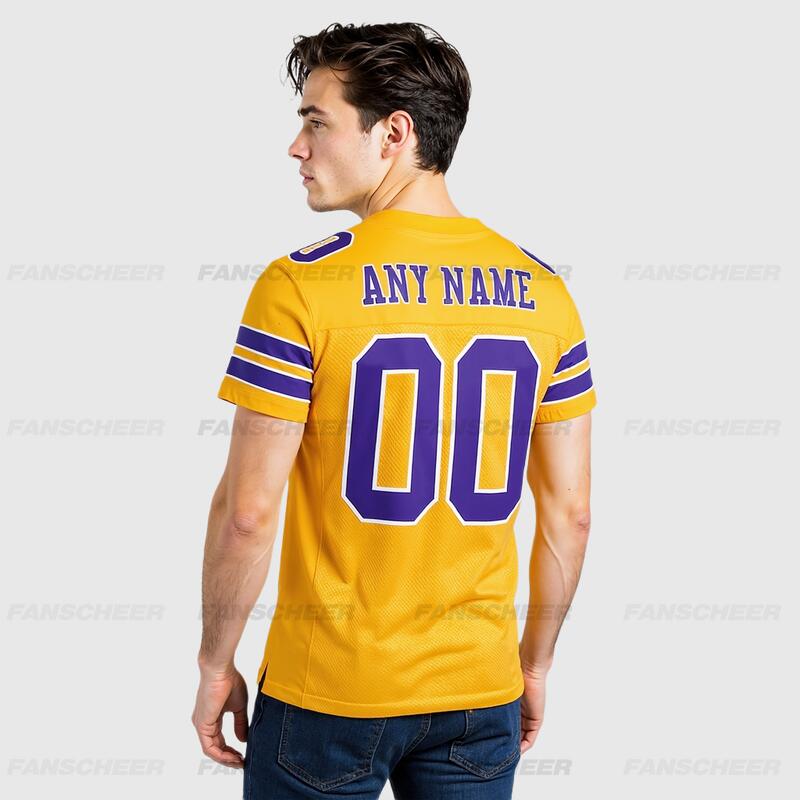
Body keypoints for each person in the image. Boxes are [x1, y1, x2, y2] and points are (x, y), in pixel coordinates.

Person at [191, 21, 596, 800]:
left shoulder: (300, 287)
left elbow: (247, 512)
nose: (296, 147)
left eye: (316, 122)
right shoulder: (546, 292)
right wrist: (535, 665)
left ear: (394, 134)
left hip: (327, 693)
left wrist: (215, 662)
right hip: (479, 694)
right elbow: (570, 516)